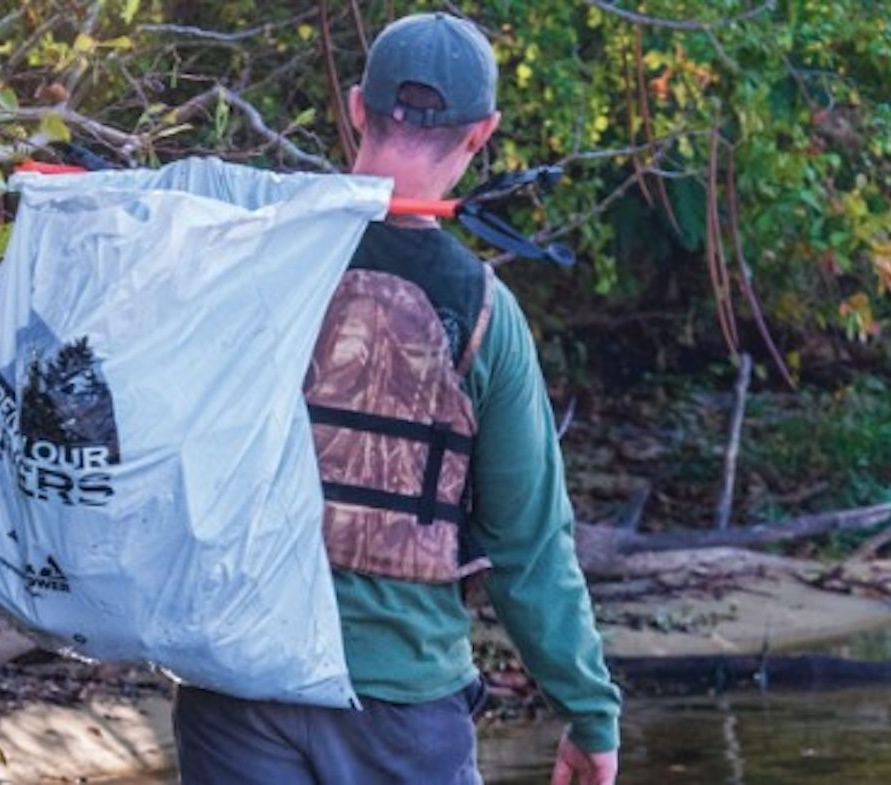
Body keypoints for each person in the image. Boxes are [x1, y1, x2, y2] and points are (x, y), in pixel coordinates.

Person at [172, 12, 621, 785]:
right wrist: (589, 710)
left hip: (234, 679)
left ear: (355, 106)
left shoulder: (249, 252)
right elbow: (529, 545)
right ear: (481, 133)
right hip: (399, 706)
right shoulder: (483, 313)